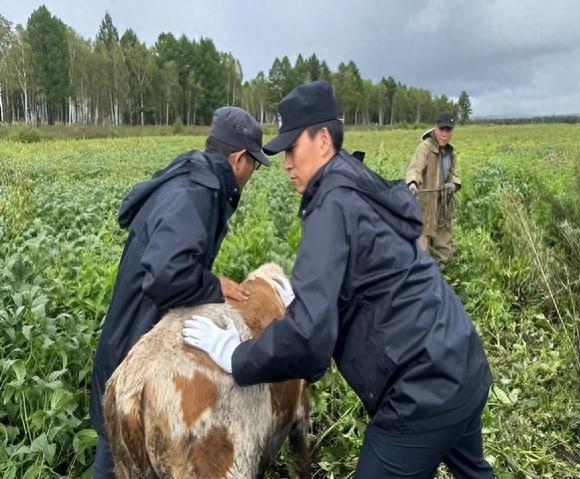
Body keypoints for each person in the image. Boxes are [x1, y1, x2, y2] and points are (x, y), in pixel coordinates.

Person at [183, 81, 494, 478]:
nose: (287, 164)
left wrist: (236, 356)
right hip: (462, 356)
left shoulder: (330, 205)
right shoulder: (356, 181)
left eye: (293, 148)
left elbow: (309, 337)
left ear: (323, 140)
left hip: (422, 389)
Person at [90, 106, 270, 478]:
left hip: (130, 344)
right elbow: (166, 276)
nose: (253, 173)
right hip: (134, 356)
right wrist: (213, 285)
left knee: (121, 458)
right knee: (119, 460)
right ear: (239, 159)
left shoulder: (192, 181)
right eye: (254, 163)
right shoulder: (195, 194)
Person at [406, 111, 461, 264]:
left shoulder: (450, 153)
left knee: (445, 255)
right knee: (421, 257)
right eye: (441, 130)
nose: (444, 134)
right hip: (423, 211)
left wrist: (453, 184)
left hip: (442, 212)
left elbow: (453, 175)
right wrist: (412, 183)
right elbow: (414, 169)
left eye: (448, 130)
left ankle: (443, 281)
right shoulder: (424, 148)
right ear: (435, 128)